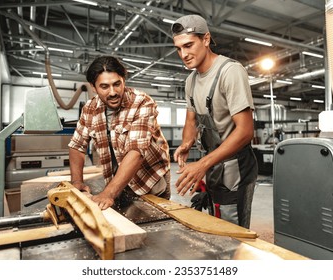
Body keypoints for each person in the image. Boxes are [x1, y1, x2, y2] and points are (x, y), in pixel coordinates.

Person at [171, 14, 258, 228]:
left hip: (236, 165)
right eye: (179, 48)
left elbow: (246, 131)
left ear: (206, 39)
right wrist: (186, 143)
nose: (183, 54)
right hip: (214, 163)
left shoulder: (230, 72)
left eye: (189, 45)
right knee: (215, 218)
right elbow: (191, 121)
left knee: (232, 228)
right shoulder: (191, 80)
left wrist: (202, 164)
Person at [68, 55, 171, 210]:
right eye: (104, 87)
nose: (112, 92)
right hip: (117, 183)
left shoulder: (142, 103)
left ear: (124, 80)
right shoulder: (90, 108)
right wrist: (77, 181)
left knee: (150, 229)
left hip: (149, 183)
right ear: (93, 87)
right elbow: (77, 145)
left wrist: (108, 193)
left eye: (117, 84)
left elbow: (136, 152)